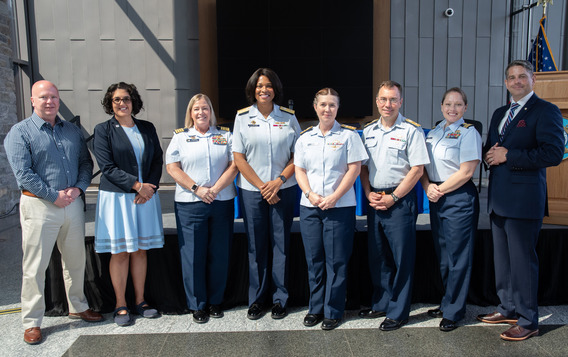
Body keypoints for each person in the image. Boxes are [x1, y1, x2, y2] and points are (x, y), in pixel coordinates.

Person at [4, 80, 103, 345]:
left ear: (59, 100)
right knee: (34, 267)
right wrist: (53, 195)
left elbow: (85, 162)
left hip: (72, 204)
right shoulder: (20, 132)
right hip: (39, 206)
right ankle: (32, 323)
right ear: (33, 101)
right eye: (43, 97)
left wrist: (80, 188)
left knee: (75, 260)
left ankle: (78, 305)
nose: (49, 102)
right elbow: (23, 173)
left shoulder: (71, 130)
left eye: (54, 97)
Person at [477, 60, 564, 341]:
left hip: (524, 201)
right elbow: (493, 147)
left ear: (532, 79)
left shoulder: (546, 111)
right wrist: (488, 156)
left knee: (523, 263)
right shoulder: (501, 112)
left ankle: (528, 321)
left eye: (522, 77)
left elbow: (553, 153)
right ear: (505, 83)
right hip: (499, 199)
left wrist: (508, 156)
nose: (516, 81)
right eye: (511, 77)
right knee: (503, 261)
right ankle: (508, 307)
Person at [294, 88, 368, 330]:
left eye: (332, 105)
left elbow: (354, 169)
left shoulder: (349, 137)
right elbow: (300, 170)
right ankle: (315, 308)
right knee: (314, 259)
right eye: (323, 104)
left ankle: (333, 310)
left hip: (340, 207)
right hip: (311, 207)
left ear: (338, 108)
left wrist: (335, 197)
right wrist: (309, 194)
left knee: (336, 261)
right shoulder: (305, 138)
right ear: (315, 107)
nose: (327, 109)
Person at [360, 80, 429, 331]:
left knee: (402, 259)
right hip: (375, 200)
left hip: (399, 201)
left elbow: (417, 169)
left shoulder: (412, 130)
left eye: (393, 100)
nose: (387, 104)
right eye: (383, 99)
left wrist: (394, 197)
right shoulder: (368, 131)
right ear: (377, 101)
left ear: (401, 102)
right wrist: (368, 194)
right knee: (378, 256)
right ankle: (382, 302)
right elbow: (364, 168)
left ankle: (399, 312)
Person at [93, 82, 164, 326]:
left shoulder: (147, 127)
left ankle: (141, 301)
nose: (122, 103)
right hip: (118, 198)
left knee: (140, 249)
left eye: (126, 99)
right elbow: (107, 167)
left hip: (145, 198)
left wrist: (149, 188)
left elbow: (157, 160)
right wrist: (138, 186)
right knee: (121, 251)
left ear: (134, 101)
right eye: (116, 100)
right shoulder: (103, 130)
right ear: (109, 104)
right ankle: (121, 304)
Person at [232, 68, 301, 320]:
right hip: (253, 191)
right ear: (253, 89)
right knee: (256, 246)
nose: (264, 90)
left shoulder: (288, 117)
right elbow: (238, 158)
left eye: (269, 86)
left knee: (281, 246)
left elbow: (297, 155)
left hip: (284, 189)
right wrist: (264, 186)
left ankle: (280, 299)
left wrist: (279, 181)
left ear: (276, 90)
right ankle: (257, 300)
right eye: (260, 86)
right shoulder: (241, 118)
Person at [166, 94, 238, 324]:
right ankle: (197, 304)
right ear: (190, 113)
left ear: (211, 112)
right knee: (193, 255)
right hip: (190, 203)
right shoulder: (180, 137)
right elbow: (172, 167)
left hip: (221, 199)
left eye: (205, 108)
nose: (201, 113)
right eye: (196, 109)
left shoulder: (225, 135)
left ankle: (215, 301)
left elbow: (234, 164)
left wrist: (215, 189)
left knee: (219, 253)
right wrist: (197, 189)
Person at [419, 88, 481, 332]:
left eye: (457, 105)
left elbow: (467, 171)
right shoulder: (433, 133)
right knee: (444, 255)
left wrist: (439, 189)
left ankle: (455, 310)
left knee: (458, 257)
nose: (452, 109)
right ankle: (447, 302)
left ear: (465, 108)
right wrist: (428, 187)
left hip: (458, 198)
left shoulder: (469, 133)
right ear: (441, 106)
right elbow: (422, 166)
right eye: (448, 104)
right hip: (437, 196)